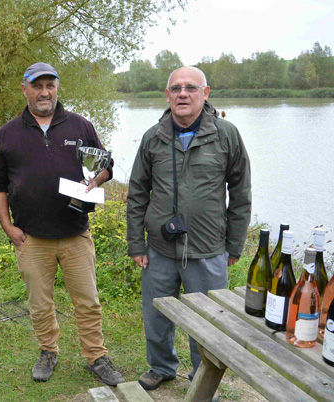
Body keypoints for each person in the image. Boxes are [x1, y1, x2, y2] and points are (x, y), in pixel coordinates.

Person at [0, 62, 125, 386]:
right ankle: (48, 351)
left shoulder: (80, 126)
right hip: (31, 238)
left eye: (50, 85)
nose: (44, 92)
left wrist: (96, 179)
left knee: (88, 301)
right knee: (39, 303)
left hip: (76, 233)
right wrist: (8, 227)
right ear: (25, 89)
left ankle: (96, 356)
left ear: (57, 88)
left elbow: (107, 166)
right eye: (37, 86)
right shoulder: (8, 133)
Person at [127, 66, 252, 390]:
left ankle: (203, 377)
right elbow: (137, 192)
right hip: (159, 248)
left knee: (208, 322)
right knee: (157, 316)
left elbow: (241, 194)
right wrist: (136, 244)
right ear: (167, 95)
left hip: (208, 249)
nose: (183, 93)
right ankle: (162, 367)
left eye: (191, 88)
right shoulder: (152, 138)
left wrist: (234, 245)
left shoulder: (226, 134)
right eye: (176, 88)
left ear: (205, 93)